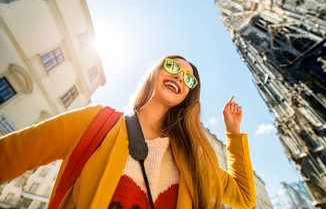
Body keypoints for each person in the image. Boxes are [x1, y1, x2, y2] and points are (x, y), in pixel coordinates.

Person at [0, 55, 256, 209]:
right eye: (173, 67)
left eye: (189, 79)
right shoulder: (94, 122)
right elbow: (7, 156)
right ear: (154, 73)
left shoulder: (195, 161)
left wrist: (233, 133)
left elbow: (245, 197)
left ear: (188, 96)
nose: (180, 77)